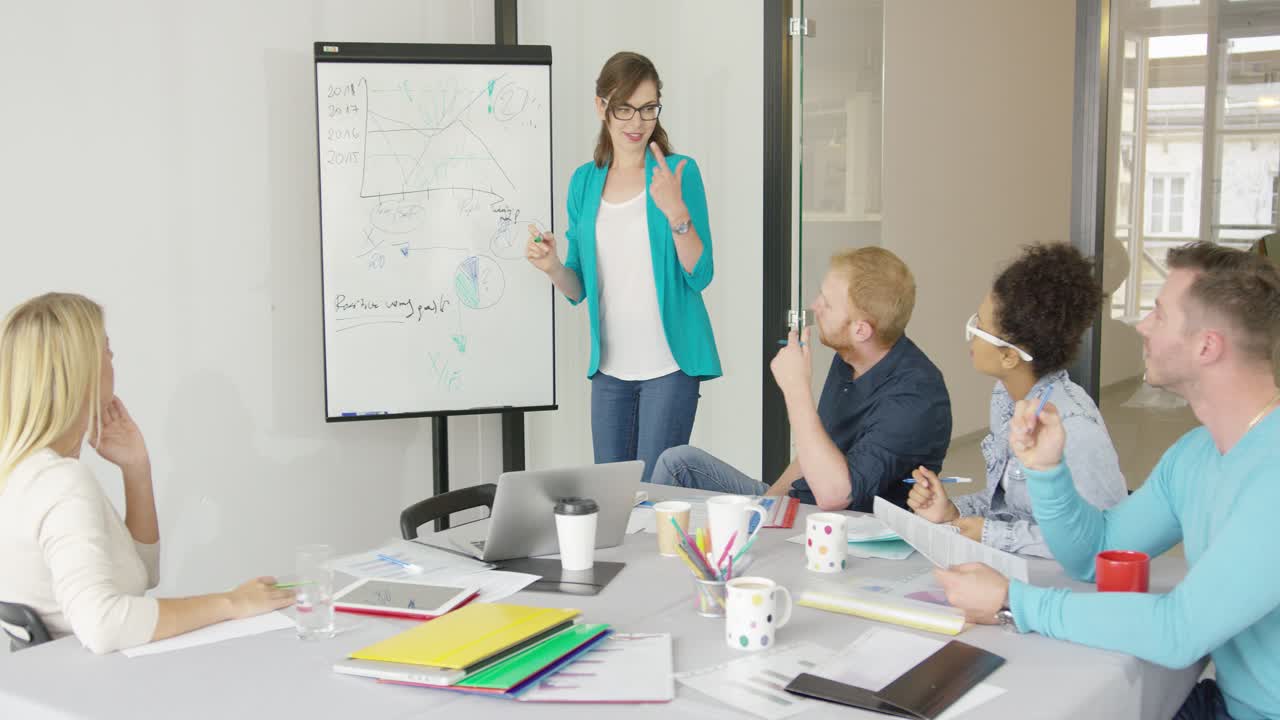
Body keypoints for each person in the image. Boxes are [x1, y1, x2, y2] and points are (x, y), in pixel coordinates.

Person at [933, 242, 1280, 720]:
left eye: (1159, 314)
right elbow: (1096, 554)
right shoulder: (1195, 454)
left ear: (1207, 345)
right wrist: (1048, 472)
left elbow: (1178, 631)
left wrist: (1013, 602)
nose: (1142, 325)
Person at [0, 293, 293, 654]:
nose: (113, 360)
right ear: (82, 371)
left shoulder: (22, 473)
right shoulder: (62, 482)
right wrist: (232, 602)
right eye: (106, 350)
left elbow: (142, 574)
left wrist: (136, 468)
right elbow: (103, 625)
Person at [525, 51, 718, 485]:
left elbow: (701, 273)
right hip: (610, 371)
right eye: (624, 108)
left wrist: (676, 213)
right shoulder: (584, 181)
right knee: (612, 498)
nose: (637, 122)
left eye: (648, 108)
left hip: (670, 366)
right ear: (601, 107)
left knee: (654, 496)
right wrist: (552, 266)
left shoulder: (678, 172)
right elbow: (578, 288)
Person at [651, 247, 952, 512]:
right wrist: (765, 508)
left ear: (861, 330)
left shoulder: (916, 399)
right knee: (678, 462)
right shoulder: (849, 356)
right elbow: (811, 453)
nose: (815, 305)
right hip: (798, 507)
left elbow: (836, 496)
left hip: (843, 529)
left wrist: (796, 388)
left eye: (827, 303)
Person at [907, 244, 1128, 557]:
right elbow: (1011, 505)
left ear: (1010, 356)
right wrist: (953, 511)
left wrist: (988, 534)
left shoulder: (1076, 430)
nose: (972, 333)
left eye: (980, 327)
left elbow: (1099, 543)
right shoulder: (1005, 396)